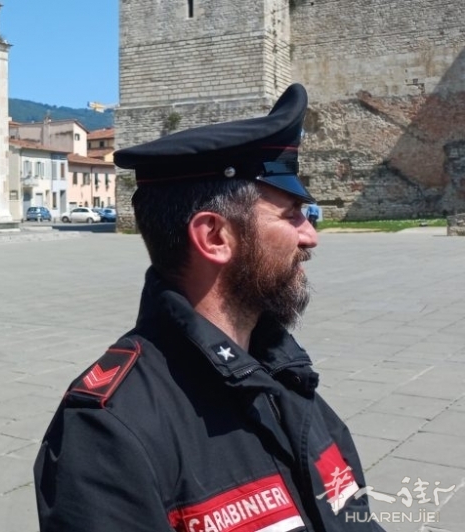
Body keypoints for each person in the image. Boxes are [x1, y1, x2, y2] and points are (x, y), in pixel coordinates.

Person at [34, 85, 384, 532]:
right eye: (292, 214)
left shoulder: (286, 379)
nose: (310, 235)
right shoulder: (109, 432)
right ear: (215, 237)